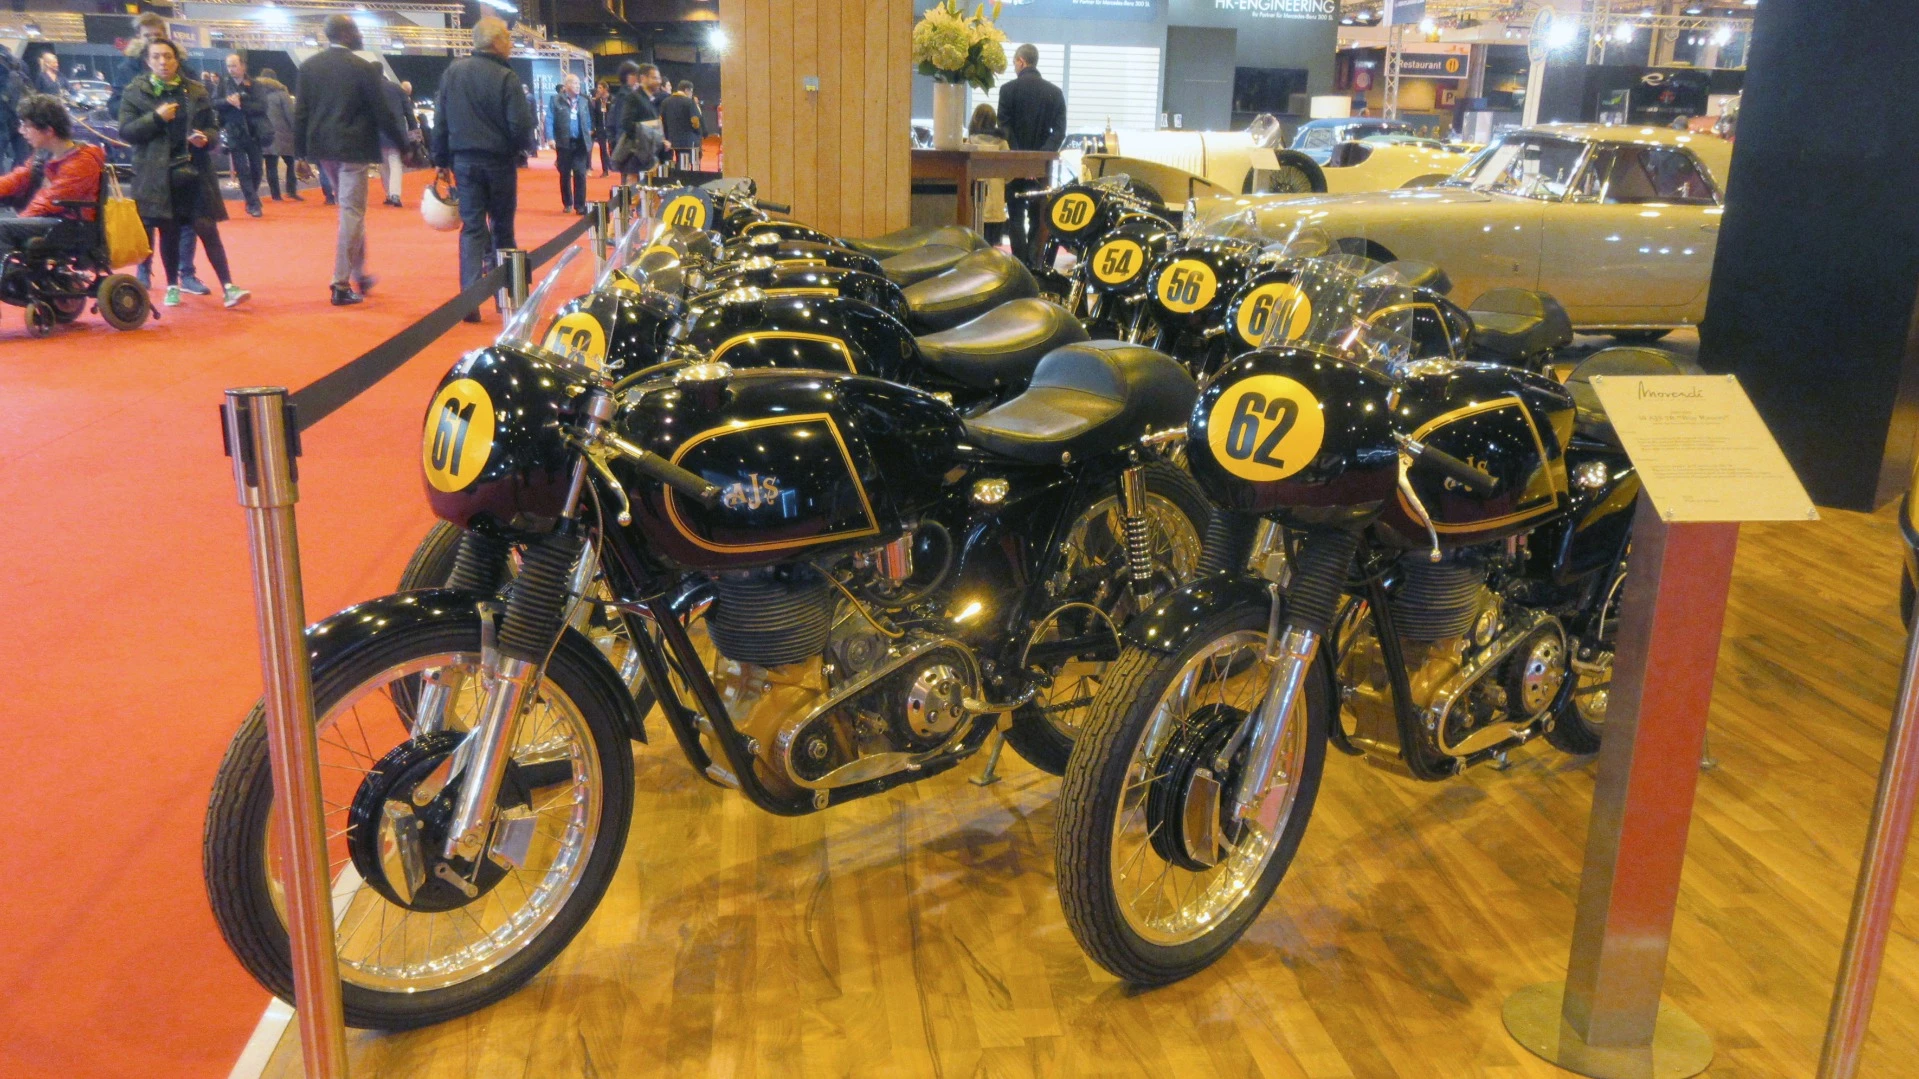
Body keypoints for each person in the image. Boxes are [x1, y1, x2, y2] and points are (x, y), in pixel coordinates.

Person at [119, 39, 250, 308]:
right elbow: (127, 132)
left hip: (195, 171)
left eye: (167, 56)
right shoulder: (135, 92)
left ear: (177, 60)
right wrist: (156, 118)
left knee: (206, 226)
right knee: (169, 231)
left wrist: (208, 138)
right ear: (148, 61)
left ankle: (229, 286)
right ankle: (172, 286)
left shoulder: (196, 90)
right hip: (158, 175)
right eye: (156, 57)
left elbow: (213, 128)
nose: (162, 62)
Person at [294, 14, 405, 306]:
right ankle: (340, 284)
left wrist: (299, 154)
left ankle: (360, 273)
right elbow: (382, 113)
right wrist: (404, 144)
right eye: (355, 30)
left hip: (323, 150)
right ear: (345, 34)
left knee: (350, 211)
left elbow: (301, 113)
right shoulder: (363, 68)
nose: (359, 34)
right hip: (353, 149)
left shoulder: (309, 67)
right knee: (352, 212)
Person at [431, 16, 533, 321]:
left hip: (464, 161)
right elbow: (520, 125)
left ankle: (470, 303)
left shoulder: (453, 72)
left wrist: (440, 160)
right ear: (497, 41)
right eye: (509, 38)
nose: (511, 44)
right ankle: (509, 297)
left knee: (472, 228)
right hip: (498, 161)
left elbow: (441, 120)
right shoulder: (506, 77)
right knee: (502, 227)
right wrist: (519, 150)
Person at [0, 94, 104, 258]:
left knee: (2, 227)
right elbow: (17, 178)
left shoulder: (83, 160)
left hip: (71, 225)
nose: (21, 131)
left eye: (26, 126)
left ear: (48, 130)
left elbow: (49, 202)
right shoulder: (44, 153)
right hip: (50, 219)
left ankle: (11, 277)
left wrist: (20, 220)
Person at [996, 43, 1064, 264]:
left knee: (1015, 216)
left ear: (1021, 61)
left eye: (1014, 63)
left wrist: (1021, 159)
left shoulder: (1007, 90)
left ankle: (1019, 263)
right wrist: (1039, 159)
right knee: (1038, 216)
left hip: (1014, 166)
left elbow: (1005, 129)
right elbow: (1059, 132)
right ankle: (1034, 264)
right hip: (1042, 169)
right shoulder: (1055, 93)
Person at [217, 53, 269, 218]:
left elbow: (262, 106)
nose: (231, 69)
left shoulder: (255, 85)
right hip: (234, 132)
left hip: (254, 132)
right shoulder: (223, 85)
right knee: (242, 169)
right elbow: (214, 102)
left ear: (243, 66)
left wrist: (242, 104)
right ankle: (253, 203)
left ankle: (251, 198)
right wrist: (227, 102)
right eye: (229, 66)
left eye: (234, 65)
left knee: (257, 169)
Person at [547, 73, 592, 214]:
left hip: (580, 143)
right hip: (563, 142)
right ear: (566, 86)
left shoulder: (584, 101)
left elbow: (588, 119)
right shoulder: (555, 100)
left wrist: (589, 131)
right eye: (574, 83)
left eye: (579, 83)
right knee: (565, 174)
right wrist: (550, 137)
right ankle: (567, 203)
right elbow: (549, 119)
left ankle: (580, 205)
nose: (577, 86)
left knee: (580, 173)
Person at [611, 62, 663, 183]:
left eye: (659, 78)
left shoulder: (649, 100)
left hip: (647, 156)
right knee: (632, 196)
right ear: (643, 78)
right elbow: (626, 124)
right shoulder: (633, 97)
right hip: (635, 156)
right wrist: (650, 134)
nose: (658, 81)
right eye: (654, 78)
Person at [966, 103, 1009, 247]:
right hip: (996, 206)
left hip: (976, 205)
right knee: (992, 248)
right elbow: (1009, 174)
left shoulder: (970, 142)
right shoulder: (1002, 144)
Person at [256, 68, 300, 201]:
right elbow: (290, 115)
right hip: (284, 135)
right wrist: (296, 130)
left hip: (265, 134)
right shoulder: (282, 94)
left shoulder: (256, 94)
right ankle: (291, 191)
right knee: (291, 163)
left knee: (271, 165)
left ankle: (276, 195)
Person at [378, 75, 409, 207]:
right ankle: (395, 194)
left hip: (378, 133)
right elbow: (408, 111)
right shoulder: (397, 88)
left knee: (383, 165)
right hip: (396, 133)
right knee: (395, 162)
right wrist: (413, 130)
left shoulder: (372, 88)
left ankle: (389, 194)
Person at [660, 80, 703, 172]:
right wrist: (699, 132)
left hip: (671, 141)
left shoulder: (665, 102)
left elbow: (662, 121)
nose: (691, 94)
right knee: (687, 166)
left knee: (676, 162)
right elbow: (695, 121)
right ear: (687, 90)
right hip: (688, 141)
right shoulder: (689, 102)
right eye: (691, 92)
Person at [590, 82, 611, 177]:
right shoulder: (596, 101)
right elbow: (594, 115)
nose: (598, 89)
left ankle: (612, 165)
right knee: (603, 149)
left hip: (610, 128)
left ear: (605, 89)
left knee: (612, 148)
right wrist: (594, 127)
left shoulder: (611, 100)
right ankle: (605, 170)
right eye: (598, 87)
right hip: (600, 128)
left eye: (600, 87)